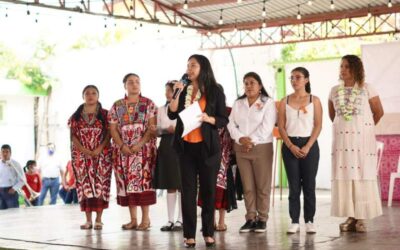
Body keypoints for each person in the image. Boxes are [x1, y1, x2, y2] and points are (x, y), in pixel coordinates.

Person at [168, 54, 228, 248]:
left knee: (209, 190)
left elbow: (222, 118)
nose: (189, 69)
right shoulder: (183, 88)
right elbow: (172, 112)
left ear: (203, 67)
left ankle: (208, 232)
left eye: (193, 65)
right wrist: (176, 93)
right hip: (186, 147)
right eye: (187, 65)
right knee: (187, 191)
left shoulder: (215, 90)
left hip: (207, 147)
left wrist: (209, 119)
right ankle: (189, 235)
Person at [328, 55, 384, 233]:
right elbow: (333, 115)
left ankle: (361, 217)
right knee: (346, 177)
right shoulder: (335, 90)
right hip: (342, 143)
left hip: (362, 142)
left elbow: (378, 112)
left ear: (356, 69)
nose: (342, 70)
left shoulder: (367, 88)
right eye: (341, 66)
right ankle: (350, 216)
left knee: (361, 175)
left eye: (346, 66)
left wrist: (364, 129)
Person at [227, 72, 276, 233]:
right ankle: (250, 218)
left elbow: (267, 126)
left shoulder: (267, 103)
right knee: (247, 186)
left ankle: (262, 219)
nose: (248, 86)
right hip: (241, 148)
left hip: (261, 147)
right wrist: (241, 139)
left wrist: (251, 140)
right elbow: (231, 124)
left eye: (252, 83)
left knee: (262, 185)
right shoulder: (238, 103)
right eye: (246, 83)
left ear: (260, 85)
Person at [109, 73, 158, 231]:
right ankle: (133, 220)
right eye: (131, 82)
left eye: (137, 81)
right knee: (129, 184)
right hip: (124, 152)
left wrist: (140, 144)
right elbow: (112, 129)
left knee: (144, 184)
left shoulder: (148, 103)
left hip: (144, 151)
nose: (135, 85)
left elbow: (152, 127)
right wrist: (122, 145)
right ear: (125, 86)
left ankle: (146, 219)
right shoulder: (117, 105)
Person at [278, 67, 322, 234]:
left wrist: (308, 146)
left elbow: (318, 125)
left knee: (309, 185)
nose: (294, 80)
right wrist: (290, 145)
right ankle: (294, 220)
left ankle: (309, 220)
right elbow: (281, 127)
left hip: (309, 145)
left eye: (298, 77)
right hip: (290, 145)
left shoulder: (314, 100)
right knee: (294, 186)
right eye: (292, 78)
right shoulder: (284, 101)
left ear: (306, 79)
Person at [69, 85, 112, 230]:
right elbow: (73, 136)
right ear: (83, 96)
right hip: (82, 157)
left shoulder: (106, 114)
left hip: (102, 155)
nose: (90, 95)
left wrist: (99, 148)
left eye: (94, 93)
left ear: (98, 96)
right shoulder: (76, 116)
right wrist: (84, 150)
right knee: (85, 186)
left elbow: (109, 134)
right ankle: (88, 220)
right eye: (87, 93)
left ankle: (99, 220)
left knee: (100, 186)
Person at [198, 106, 237, 232]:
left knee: (222, 189)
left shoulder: (229, 111)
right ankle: (211, 222)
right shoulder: (205, 111)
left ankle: (221, 221)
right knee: (208, 188)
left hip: (224, 155)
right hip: (208, 154)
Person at [154, 81, 183, 232]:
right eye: (166, 91)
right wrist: (166, 129)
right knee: (170, 184)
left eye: (169, 91)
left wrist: (177, 129)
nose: (166, 93)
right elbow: (157, 130)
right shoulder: (160, 109)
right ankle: (170, 219)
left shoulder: (184, 107)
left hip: (181, 145)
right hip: (166, 145)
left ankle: (181, 219)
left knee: (182, 185)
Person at [0, 144, 24, 209]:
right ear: (0, 153)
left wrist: (14, 188)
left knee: (13, 214)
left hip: (11, 192)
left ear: (10, 153)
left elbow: (22, 179)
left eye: (7, 152)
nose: (5, 154)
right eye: (3, 152)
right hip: (0, 192)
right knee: (2, 214)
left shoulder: (16, 164)